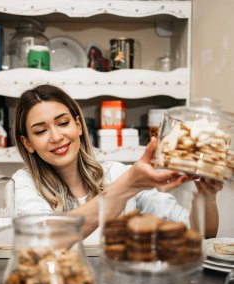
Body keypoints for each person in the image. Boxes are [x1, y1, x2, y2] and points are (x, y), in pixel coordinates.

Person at [12, 84, 222, 243]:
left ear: (78, 125)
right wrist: (128, 185)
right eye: (40, 131)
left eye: (63, 123)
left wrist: (207, 197)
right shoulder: (23, 184)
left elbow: (200, 233)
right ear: (27, 143)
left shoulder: (116, 172)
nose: (56, 136)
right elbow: (46, 240)